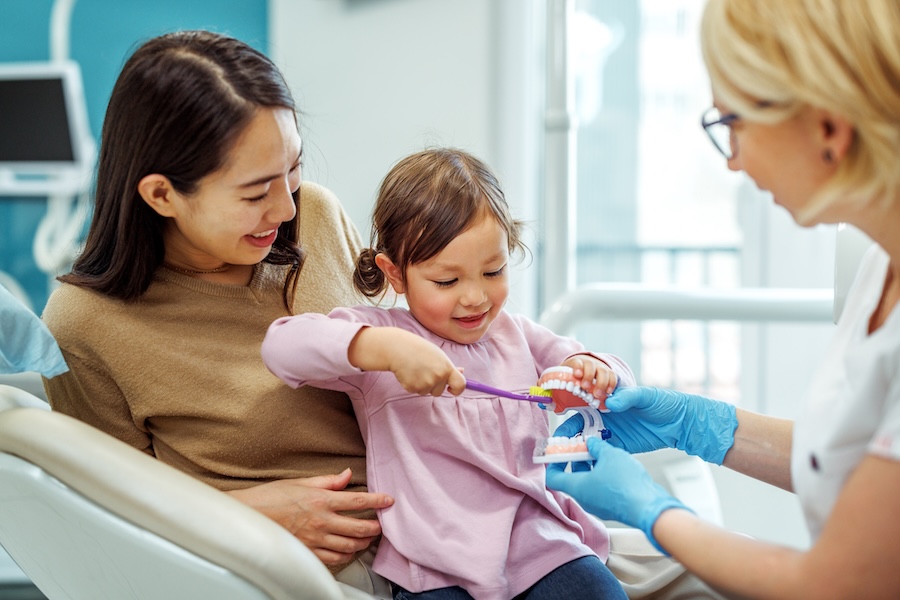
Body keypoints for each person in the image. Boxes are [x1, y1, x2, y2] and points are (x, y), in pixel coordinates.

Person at [546, 0, 900, 597]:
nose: (733, 160)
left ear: (827, 125)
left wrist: (652, 511)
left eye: (732, 122)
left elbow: (835, 584)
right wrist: (698, 424)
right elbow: (854, 459)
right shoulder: (879, 266)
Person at [40, 30, 394, 588]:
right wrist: (245, 515)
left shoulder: (317, 216)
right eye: (254, 193)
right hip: (276, 574)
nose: (285, 207)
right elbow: (104, 517)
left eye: (293, 168)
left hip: (429, 528)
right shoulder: (83, 322)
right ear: (162, 195)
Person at [261, 147, 633, 599]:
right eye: (447, 281)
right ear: (395, 274)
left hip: (544, 549)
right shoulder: (382, 338)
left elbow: (607, 376)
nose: (475, 297)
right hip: (434, 569)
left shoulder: (516, 335)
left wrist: (593, 372)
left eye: (493, 271)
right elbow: (281, 347)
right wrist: (381, 349)